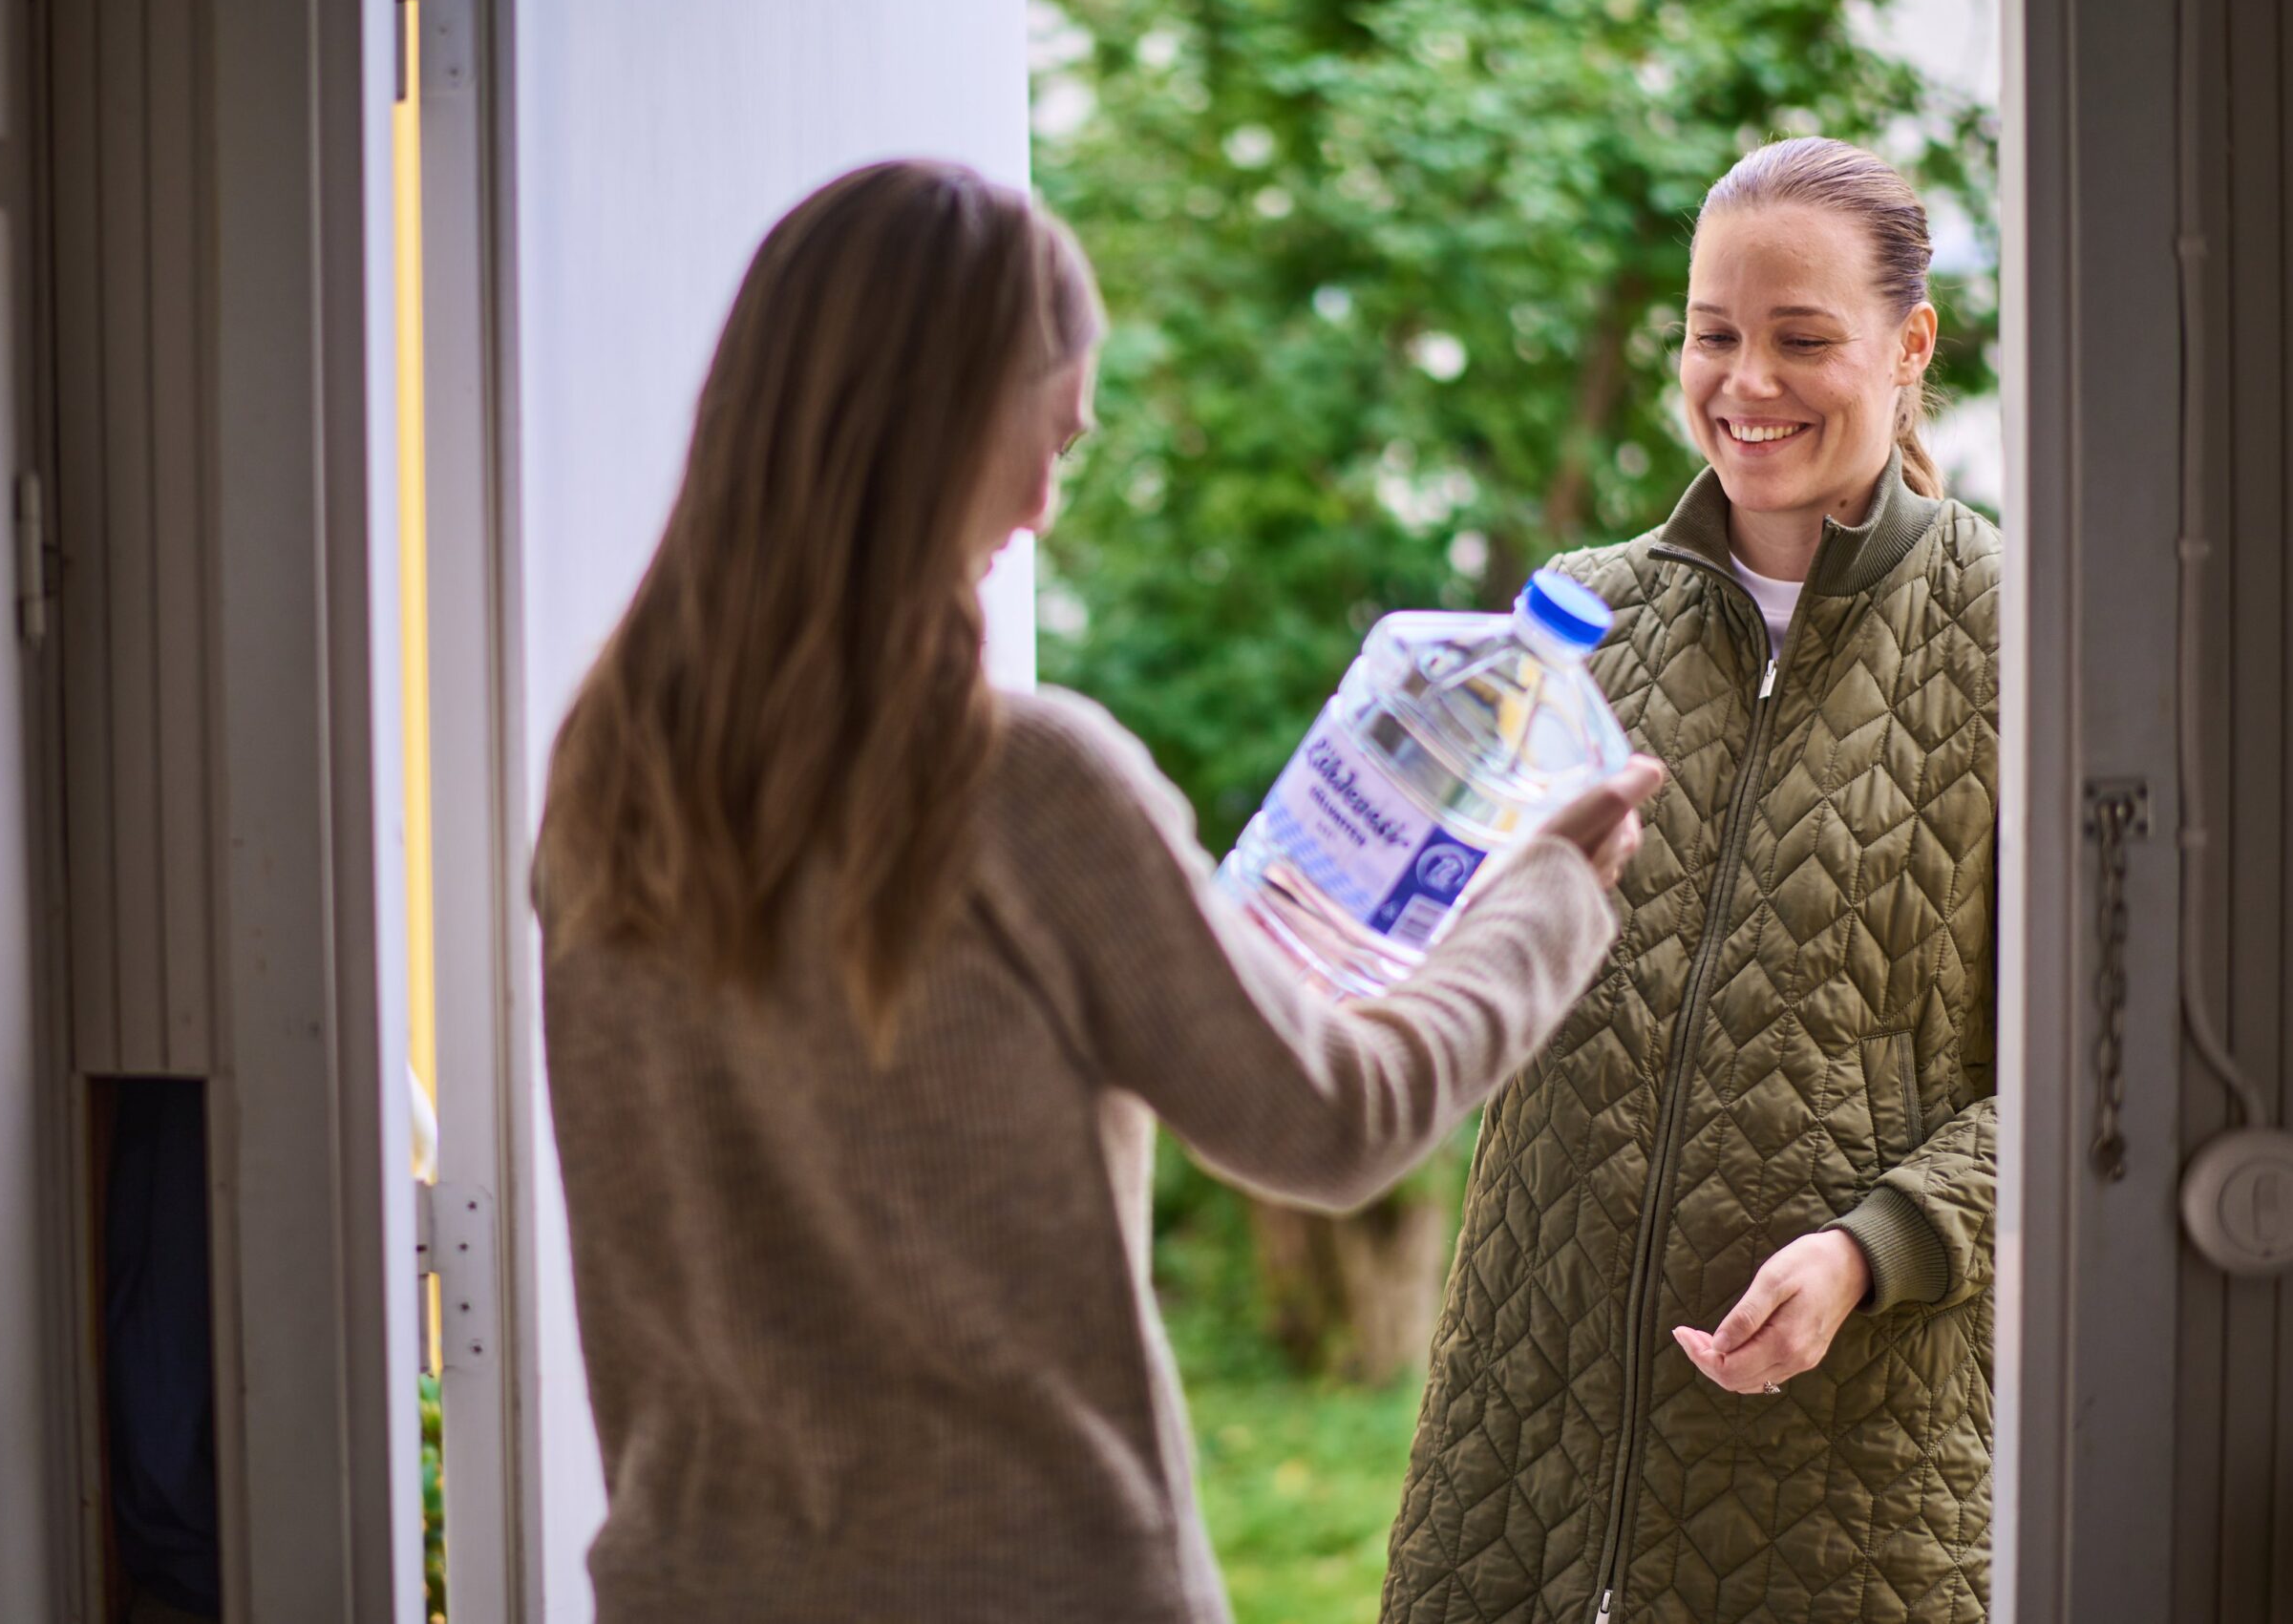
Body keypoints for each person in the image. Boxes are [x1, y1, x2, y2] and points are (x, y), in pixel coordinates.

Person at [531, 159, 1663, 1624]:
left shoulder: (608, 771)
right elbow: (1334, 1120)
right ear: (933, 426)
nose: (1043, 506)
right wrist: (1551, 895)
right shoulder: (1019, 782)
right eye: (1046, 438)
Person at [1381, 137, 2000, 1624]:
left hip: (1852, 1478)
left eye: (1803, 338)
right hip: (1523, 1447)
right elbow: (1439, 970)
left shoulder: (2020, 640)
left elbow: (2091, 1082)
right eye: (1714, 333)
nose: (1746, 381)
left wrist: (1873, 1250)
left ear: (1911, 345)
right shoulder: (1579, 619)